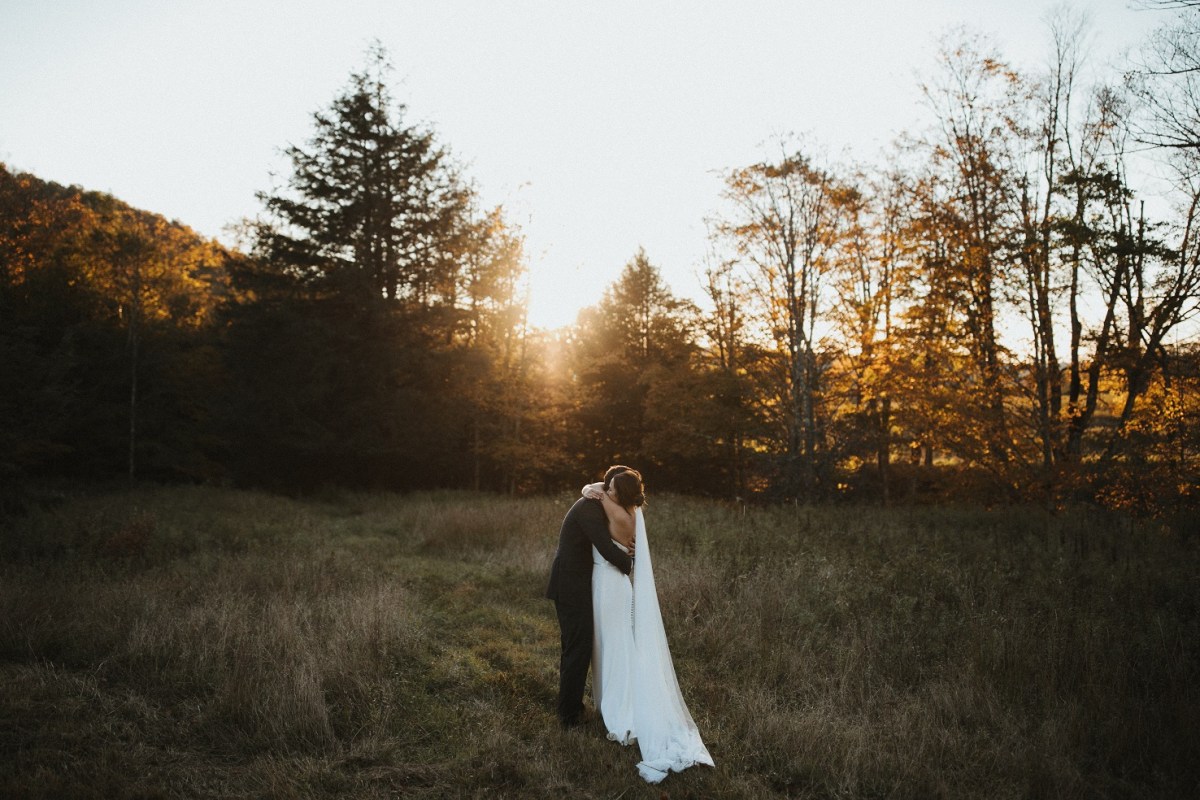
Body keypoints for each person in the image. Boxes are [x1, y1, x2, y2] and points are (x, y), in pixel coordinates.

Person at [582, 469, 715, 784]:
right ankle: (609, 701)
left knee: (613, 648)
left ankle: (619, 709)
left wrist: (589, 487)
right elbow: (601, 488)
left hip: (608, 586)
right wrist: (596, 487)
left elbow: (593, 491)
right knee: (612, 645)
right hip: (613, 584)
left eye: (613, 489)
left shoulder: (616, 511)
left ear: (621, 495)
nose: (607, 491)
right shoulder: (630, 510)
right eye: (609, 489)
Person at [545, 465, 634, 729]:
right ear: (607, 488)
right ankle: (568, 716)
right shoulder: (589, 508)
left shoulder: (600, 503)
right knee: (577, 648)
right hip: (570, 585)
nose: (614, 495)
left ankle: (570, 707)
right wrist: (630, 562)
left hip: (580, 584)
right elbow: (606, 549)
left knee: (577, 646)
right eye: (612, 490)